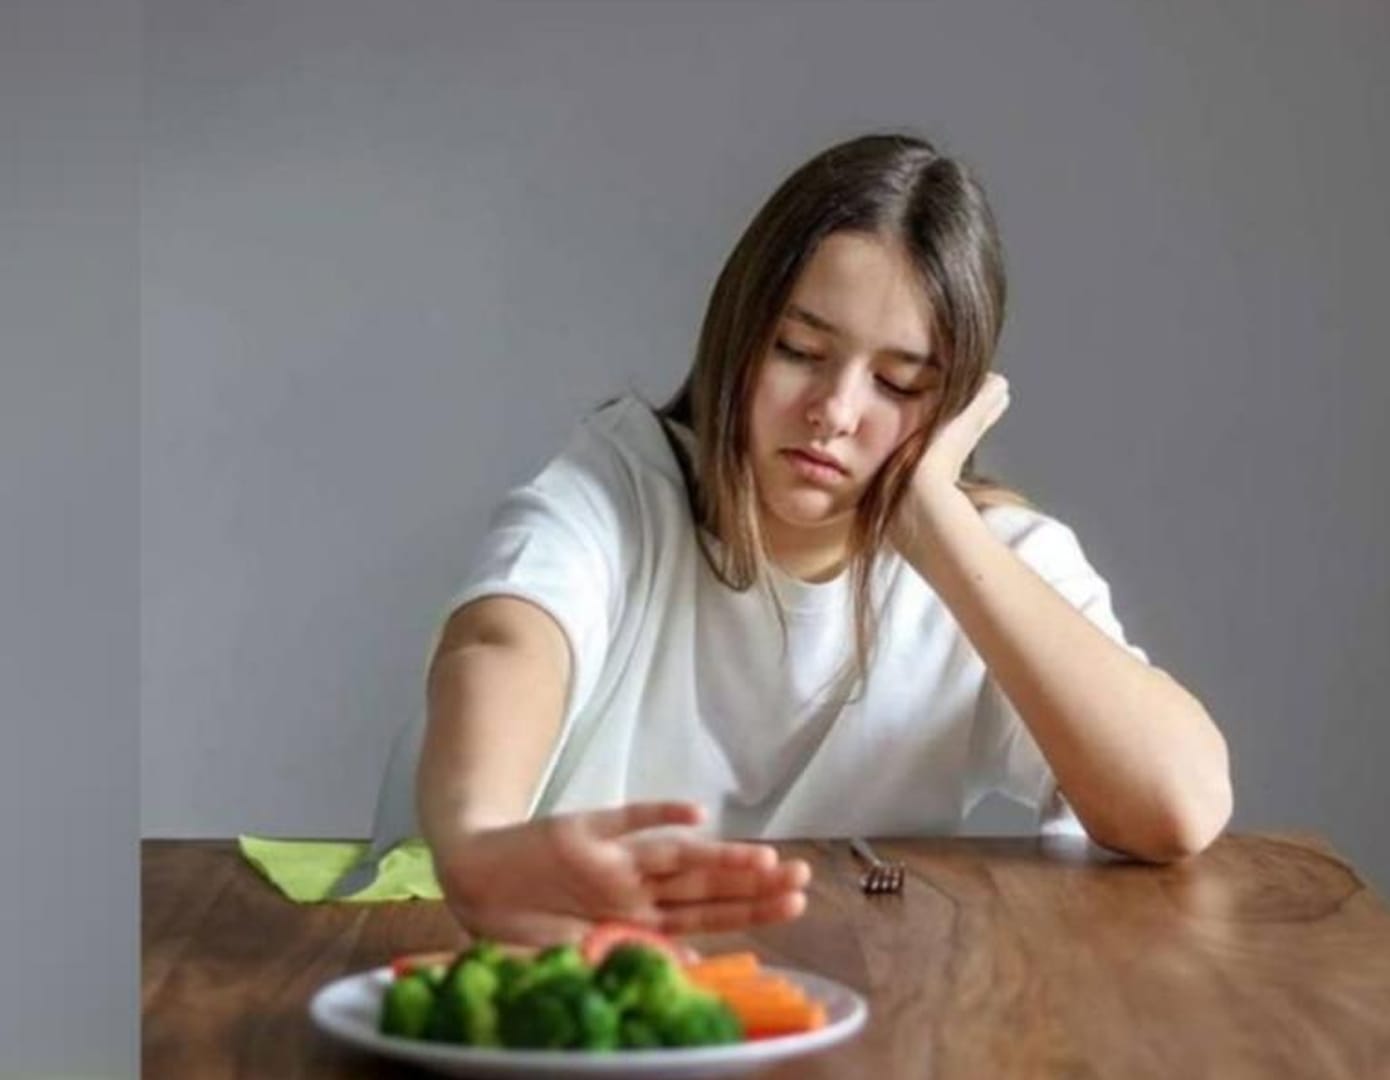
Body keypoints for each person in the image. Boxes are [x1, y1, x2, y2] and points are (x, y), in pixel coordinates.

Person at [377, 132, 1233, 946]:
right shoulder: (622, 481)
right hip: (559, 969)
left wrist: (936, 526)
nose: (835, 411)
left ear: (955, 405)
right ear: (739, 333)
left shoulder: (989, 557)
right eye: (799, 350)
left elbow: (1179, 804)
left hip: (850, 999)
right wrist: (480, 837)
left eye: (899, 382)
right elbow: (505, 641)